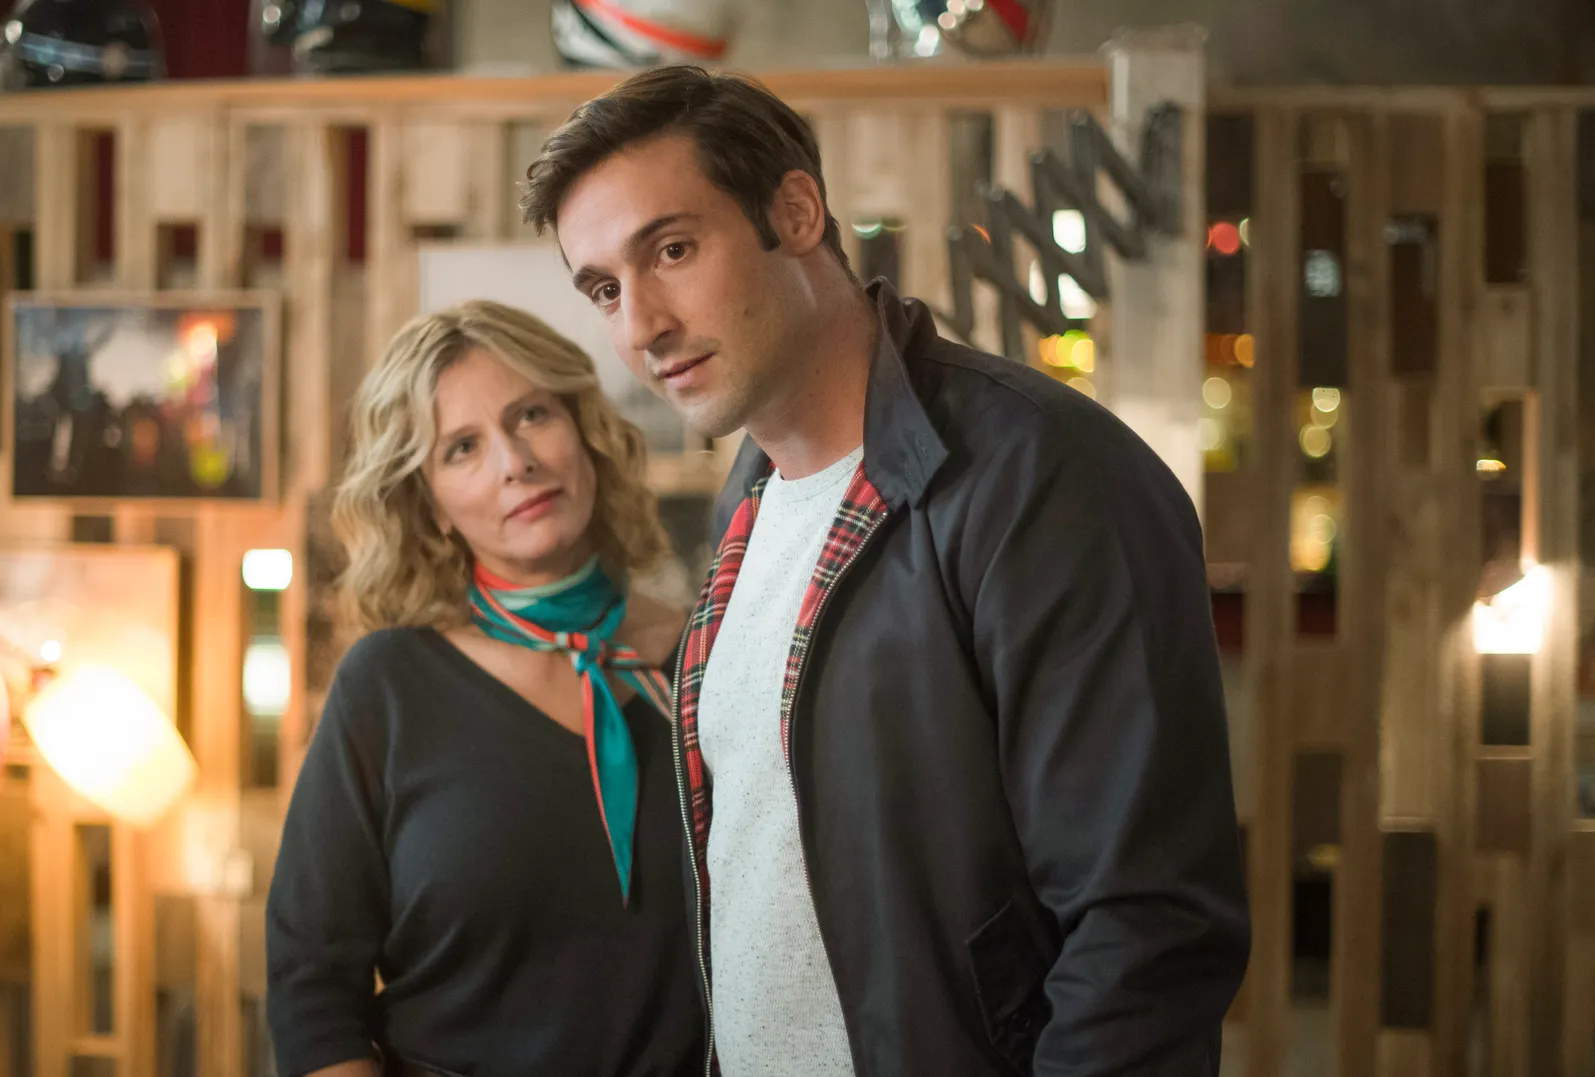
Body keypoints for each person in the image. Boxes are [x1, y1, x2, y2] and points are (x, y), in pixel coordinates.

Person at [520, 65, 1251, 1077]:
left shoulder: (1042, 475)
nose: (641, 325)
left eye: (672, 251)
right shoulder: (751, 499)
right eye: (606, 288)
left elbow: (1148, 929)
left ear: (795, 211)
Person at [265, 300, 704, 1077]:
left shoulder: (707, 653)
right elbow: (312, 993)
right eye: (462, 448)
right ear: (430, 505)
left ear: (583, 430)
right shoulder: (387, 688)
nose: (514, 461)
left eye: (532, 414)